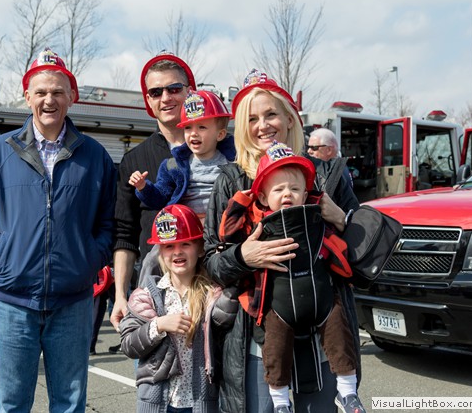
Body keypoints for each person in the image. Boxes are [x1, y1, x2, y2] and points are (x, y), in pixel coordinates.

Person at [0, 47, 116, 413]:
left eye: (58, 92)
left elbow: (110, 220)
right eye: (41, 92)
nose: (49, 100)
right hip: (13, 302)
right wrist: (1, 259)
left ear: (71, 97)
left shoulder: (94, 156)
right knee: (11, 403)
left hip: (73, 302)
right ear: (27, 96)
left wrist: (89, 261)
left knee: (69, 404)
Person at [204, 69, 360, 413]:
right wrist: (243, 256)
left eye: (271, 114)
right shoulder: (231, 180)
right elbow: (211, 263)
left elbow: (364, 257)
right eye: (252, 119)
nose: (263, 126)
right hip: (258, 336)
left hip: (325, 334)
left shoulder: (327, 175)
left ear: (290, 118)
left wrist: (341, 218)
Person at [219, 141, 365, 413]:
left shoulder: (316, 216)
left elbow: (339, 247)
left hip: (321, 299)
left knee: (340, 337)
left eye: (295, 189)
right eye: (278, 189)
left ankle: (347, 392)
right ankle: (280, 403)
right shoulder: (257, 221)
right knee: (275, 350)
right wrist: (241, 201)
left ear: (306, 193)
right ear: (263, 197)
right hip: (278, 306)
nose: (287, 193)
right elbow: (226, 233)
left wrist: (339, 239)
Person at [110, 51, 196, 331]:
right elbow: (125, 233)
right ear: (148, 100)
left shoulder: (217, 152)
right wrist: (120, 295)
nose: (166, 98)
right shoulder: (134, 160)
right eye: (156, 92)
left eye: (174, 89)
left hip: (210, 288)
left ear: (190, 92)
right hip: (155, 294)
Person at [119, 204, 219, 413]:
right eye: (169, 246)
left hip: (200, 402)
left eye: (186, 244)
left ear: (200, 248)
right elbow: (129, 345)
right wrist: (159, 325)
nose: (177, 252)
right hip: (159, 403)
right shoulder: (146, 295)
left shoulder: (213, 295)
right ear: (160, 252)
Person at [129, 89, 236, 222]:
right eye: (188, 128)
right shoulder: (173, 166)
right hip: (185, 229)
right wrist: (143, 187)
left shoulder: (234, 163)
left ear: (220, 134)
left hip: (223, 227)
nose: (193, 133)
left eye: (202, 127)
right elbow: (159, 199)